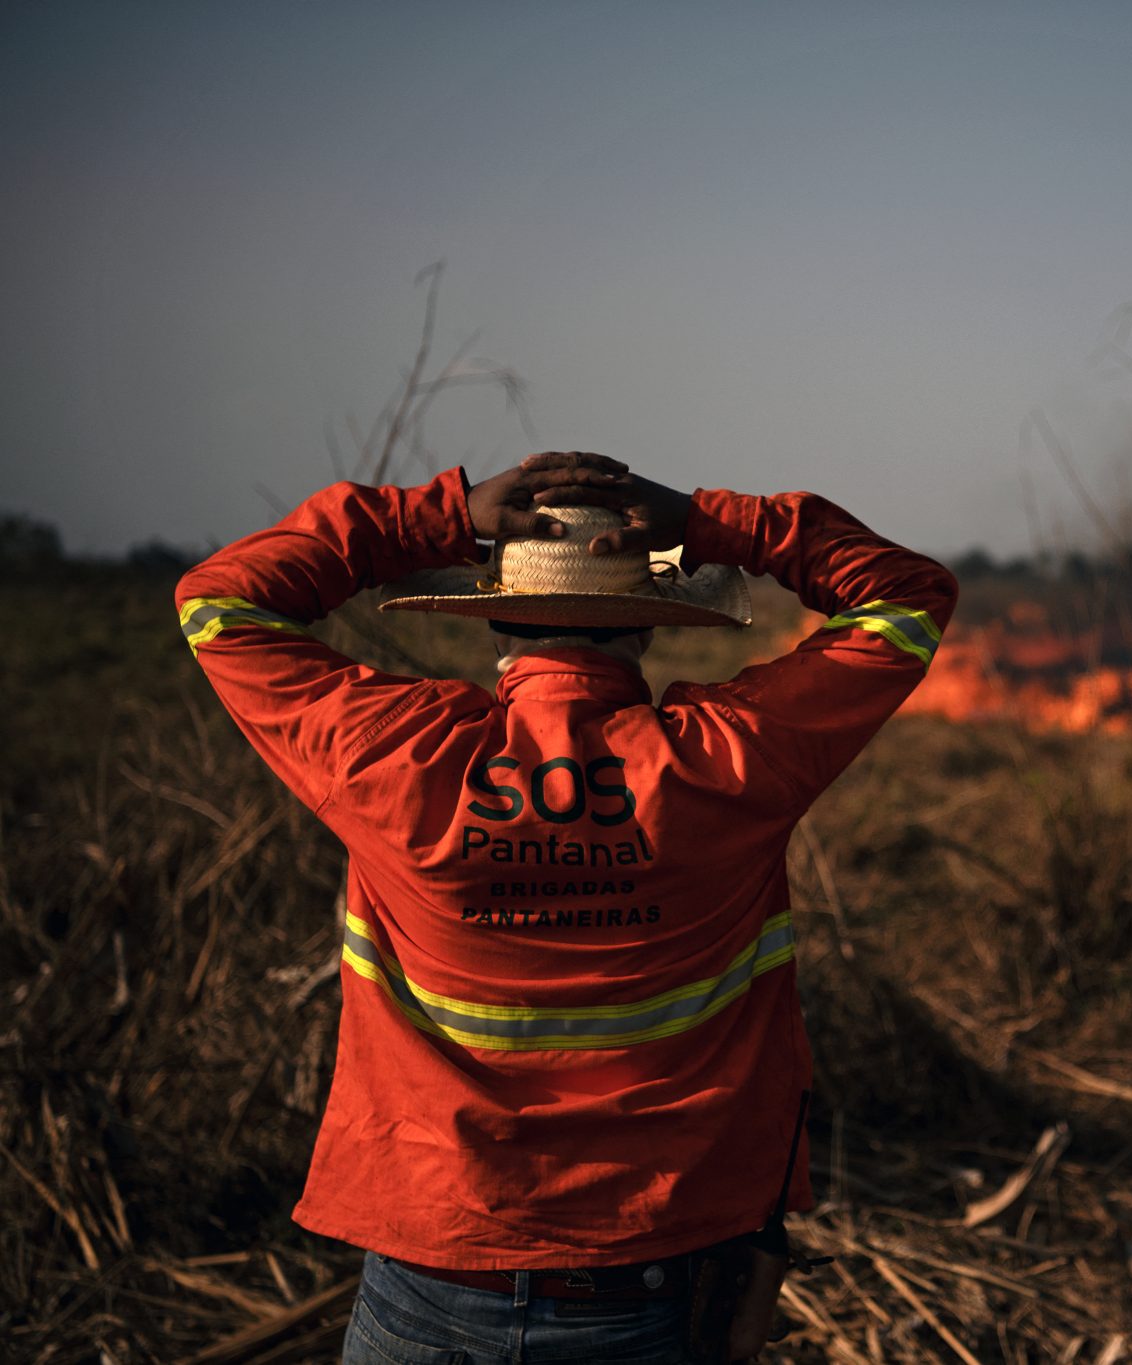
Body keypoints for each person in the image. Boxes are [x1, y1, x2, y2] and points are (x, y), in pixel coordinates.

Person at [175, 452, 957, 1362]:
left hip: (430, 1279)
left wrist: (438, 515)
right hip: (650, 1285)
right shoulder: (732, 759)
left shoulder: (394, 756)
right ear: (649, 624)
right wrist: (709, 522)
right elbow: (907, 594)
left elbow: (218, 600)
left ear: (492, 614)